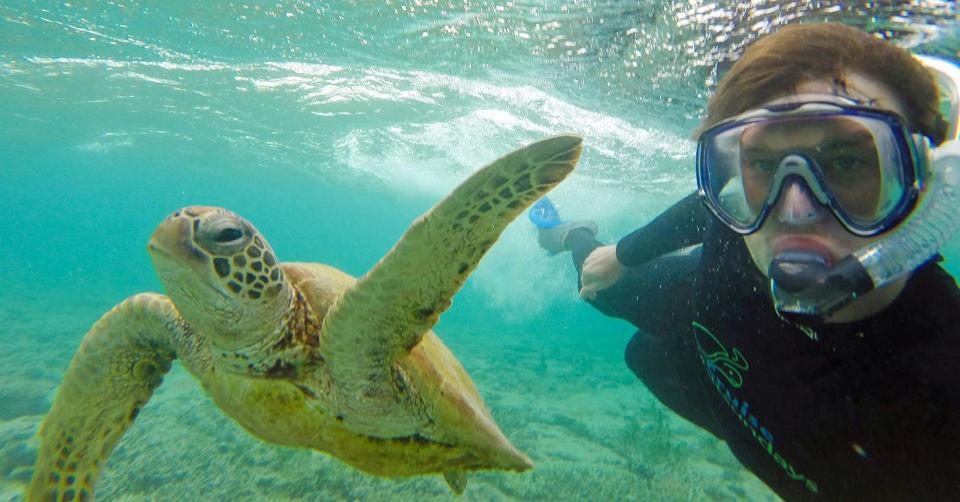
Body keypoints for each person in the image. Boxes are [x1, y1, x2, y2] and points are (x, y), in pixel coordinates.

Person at [533, 23, 960, 500]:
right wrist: (621, 254)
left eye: (847, 162)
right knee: (603, 291)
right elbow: (708, 201)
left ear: (926, 183)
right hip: (709, 310)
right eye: (761, 163)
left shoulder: (942, 379)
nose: (795, 211)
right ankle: (572, 234)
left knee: (642, 353)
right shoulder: (737, 241)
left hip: (724, 380)